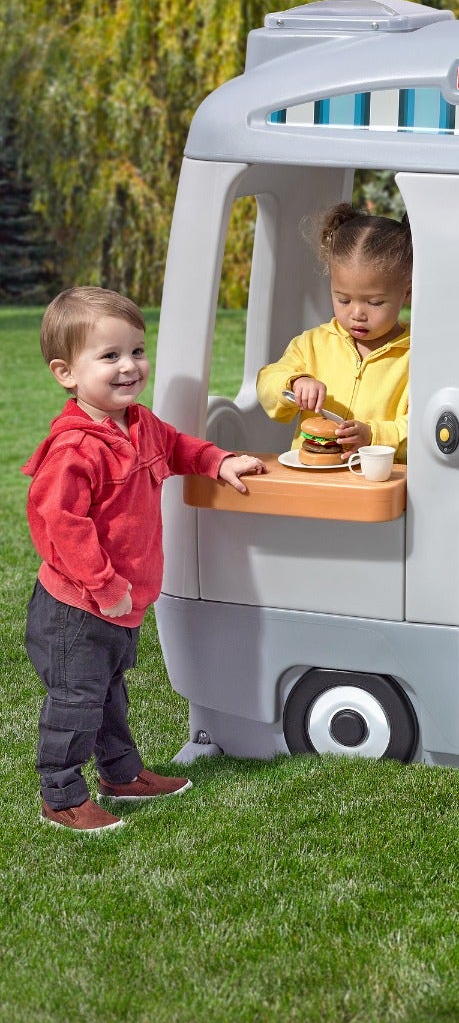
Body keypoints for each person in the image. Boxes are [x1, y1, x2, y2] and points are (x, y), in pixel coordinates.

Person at [24, 287, 267, 832]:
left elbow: (178, 447)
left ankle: (121, 774)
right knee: (76, 703)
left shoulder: (139, 423)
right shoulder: (75, 450)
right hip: (77, 610)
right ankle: (61, 797)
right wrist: (106, 585)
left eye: (136, 350)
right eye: (109, 356)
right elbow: (61, 525)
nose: (129, 366)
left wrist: (218, 461)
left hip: (121, 605)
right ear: (66, 373)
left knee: (110, 695)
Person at [256, 202, 413, 460]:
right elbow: (266, 383)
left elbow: (421, 427)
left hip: (378, 480)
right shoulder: (312, 344)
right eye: (343, 299)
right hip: (312, 478)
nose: (357, 313)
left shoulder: (414, 358)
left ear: (406, 292)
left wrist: (374, 435)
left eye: (374, 302)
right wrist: (294, 382)